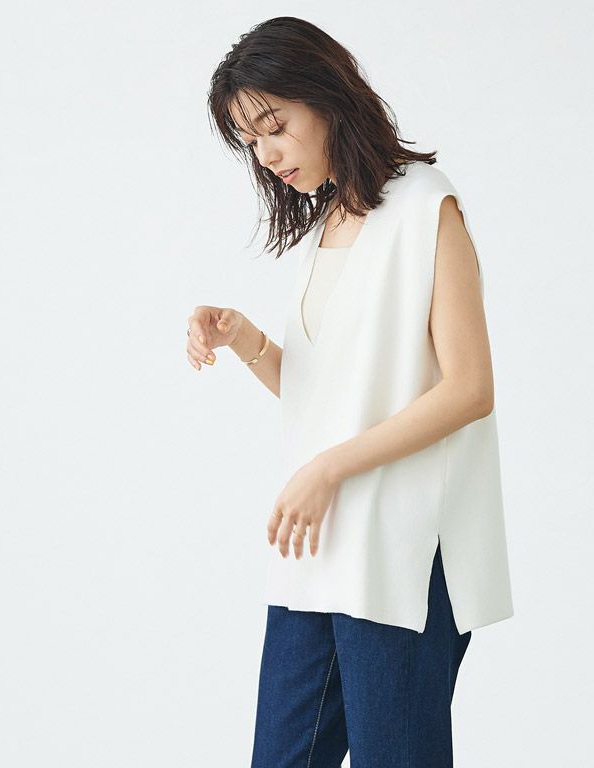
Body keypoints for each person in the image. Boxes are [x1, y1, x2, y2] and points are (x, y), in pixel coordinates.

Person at [187, 16, 514, 768]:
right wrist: (246, 339)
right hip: (321, 549)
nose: (267, 155)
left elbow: (470, 388)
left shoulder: (426, 206)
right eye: (251, 141)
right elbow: (328, 398)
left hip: (404, 545)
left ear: (328, 96)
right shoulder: (325, 226)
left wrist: (327, 470)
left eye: (275, 126)